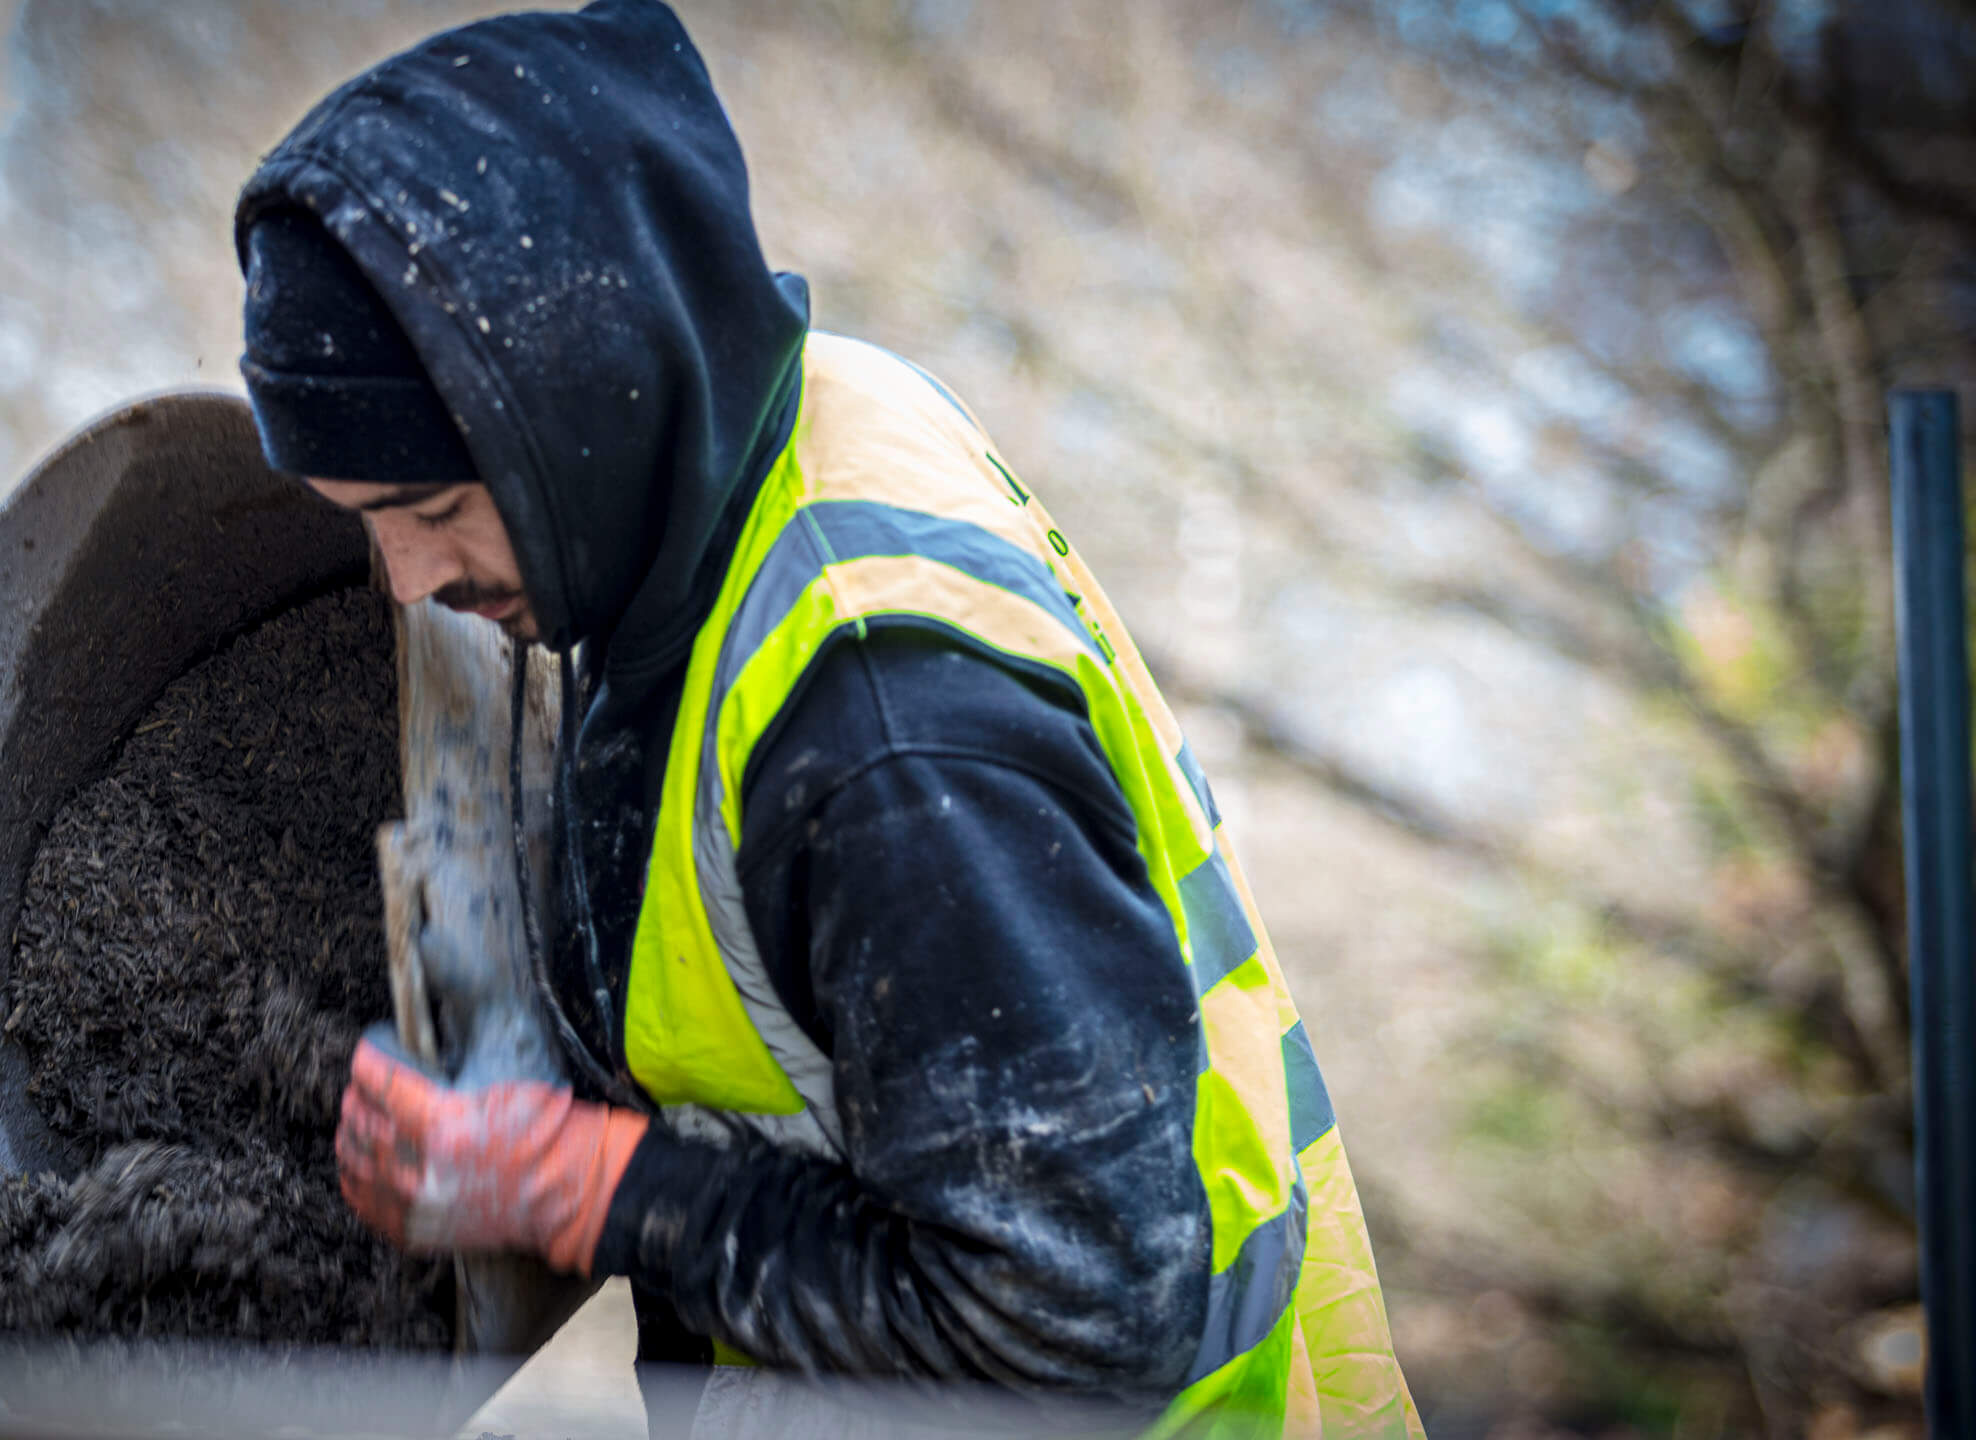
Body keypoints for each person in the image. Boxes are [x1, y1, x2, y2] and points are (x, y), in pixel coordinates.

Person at [232, 2, 1422, 1435]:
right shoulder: (769, 426)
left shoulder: (879, 735)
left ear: (579, 411)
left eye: (432, 509)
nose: (410, 582)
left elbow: (1076, 1315)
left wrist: (576, 1185)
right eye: (365, 525)